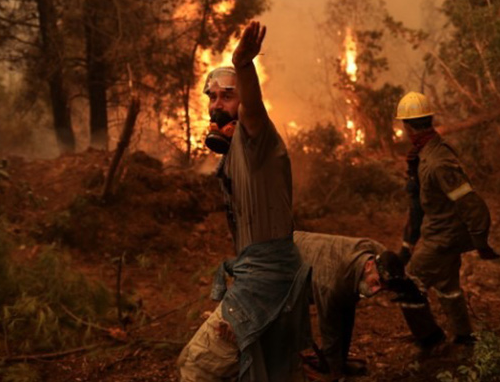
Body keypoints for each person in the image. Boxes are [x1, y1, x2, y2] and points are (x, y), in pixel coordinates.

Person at [177, 21, 311, 381]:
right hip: (263, 274)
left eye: (227, 96)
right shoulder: (232, 150)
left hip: (268, 279)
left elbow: (252, 111)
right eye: (212, 97)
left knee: (197, 366)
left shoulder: (257, 138)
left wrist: (244, 65)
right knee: (272, 370)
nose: (218, 105)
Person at [394, 91, 500, 351]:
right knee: (447, 284)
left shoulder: (437, 162)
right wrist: (408, 244)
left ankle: (430, 341)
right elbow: (420, 204)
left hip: (443, 238)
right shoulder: (427, 154)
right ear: (429, 119)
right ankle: (464, 337)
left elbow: (469, 201)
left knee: (409, 285)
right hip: (439, 233)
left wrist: (480, 240)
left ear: (408, 126)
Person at [292, 231, 425, 381]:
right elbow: (329, 328)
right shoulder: (330, 283)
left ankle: (338, 362)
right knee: (310, 318)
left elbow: (401, 275)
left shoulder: (377, 252)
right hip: (289, 257)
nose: (375, 291)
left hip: (321, 256)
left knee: (347, 307)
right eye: (375, 283)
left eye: (382, 288)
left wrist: (415, 289)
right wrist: (336, 373)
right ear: (368, 265)